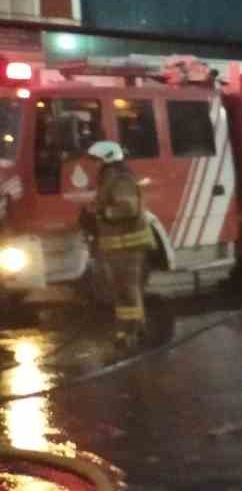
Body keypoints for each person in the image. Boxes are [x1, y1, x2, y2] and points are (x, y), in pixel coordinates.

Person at [84, 140, 155, 350]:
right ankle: (132, 329)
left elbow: (128, 208)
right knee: (122, 290)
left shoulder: (120, 178)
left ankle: (131, 332)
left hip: (129, 246)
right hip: (119, 247)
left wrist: (102, 213)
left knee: (128, 289)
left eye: (96, 160)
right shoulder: (110, 177)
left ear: (107, 158)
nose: (93, 165)